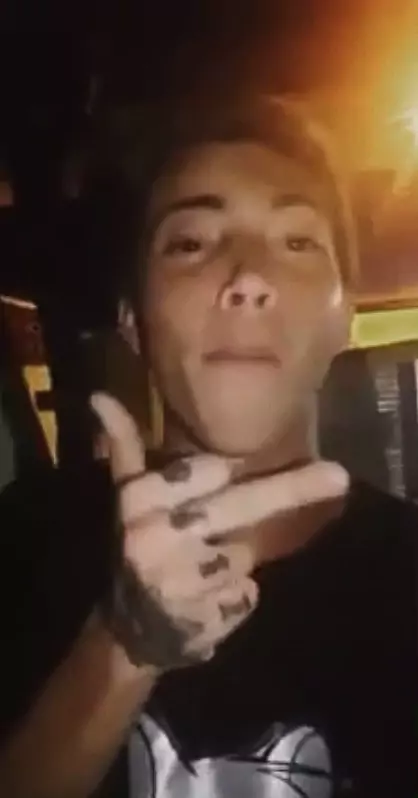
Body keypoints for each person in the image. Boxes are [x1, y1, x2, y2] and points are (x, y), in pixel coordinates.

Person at [0, 95, 417, 798]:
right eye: (191, 243)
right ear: (132, 319)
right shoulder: (25, 540)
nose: (249, 278)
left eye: (297, 242)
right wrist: (124, 645)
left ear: (343, 317)